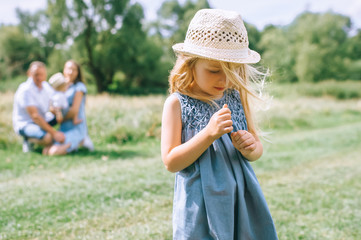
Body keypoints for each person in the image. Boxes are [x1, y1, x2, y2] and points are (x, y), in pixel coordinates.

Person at [161, 9, 278, 239]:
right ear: (190, 64)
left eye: (232, 71)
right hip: (199, 204)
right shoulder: (177, 104)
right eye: (214, 71)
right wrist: (208, 134)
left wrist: (250, 147)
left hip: (240, 199)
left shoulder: (236, 97)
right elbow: (171, 162)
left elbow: (256, 150)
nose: (224, 80)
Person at [12, 61, 65, 153]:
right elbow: (35, 116)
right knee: (48, 138)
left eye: (42, 74)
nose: (39, 78)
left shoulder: (45, 86)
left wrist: (56, 112)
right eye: (36, 75)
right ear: (29, 73)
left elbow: (52, 102)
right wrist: (54, 133)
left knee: (60, 116)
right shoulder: (25, 90)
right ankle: (28, 140)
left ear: (45, 75)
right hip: (26, 124)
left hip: (42, 119)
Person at [45, 60, 93, 155]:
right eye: (68, 69)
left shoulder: (79, 87)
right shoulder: (59, 86)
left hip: (76, 126)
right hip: (64, 127)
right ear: (64, 70)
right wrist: (54, 111)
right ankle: (77, 144)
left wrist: (60, 119)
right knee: (46, 150)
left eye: (74, 70)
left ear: (78, 72)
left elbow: (74, 110)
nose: (70, 72)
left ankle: (81, 140)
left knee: (53, 152)